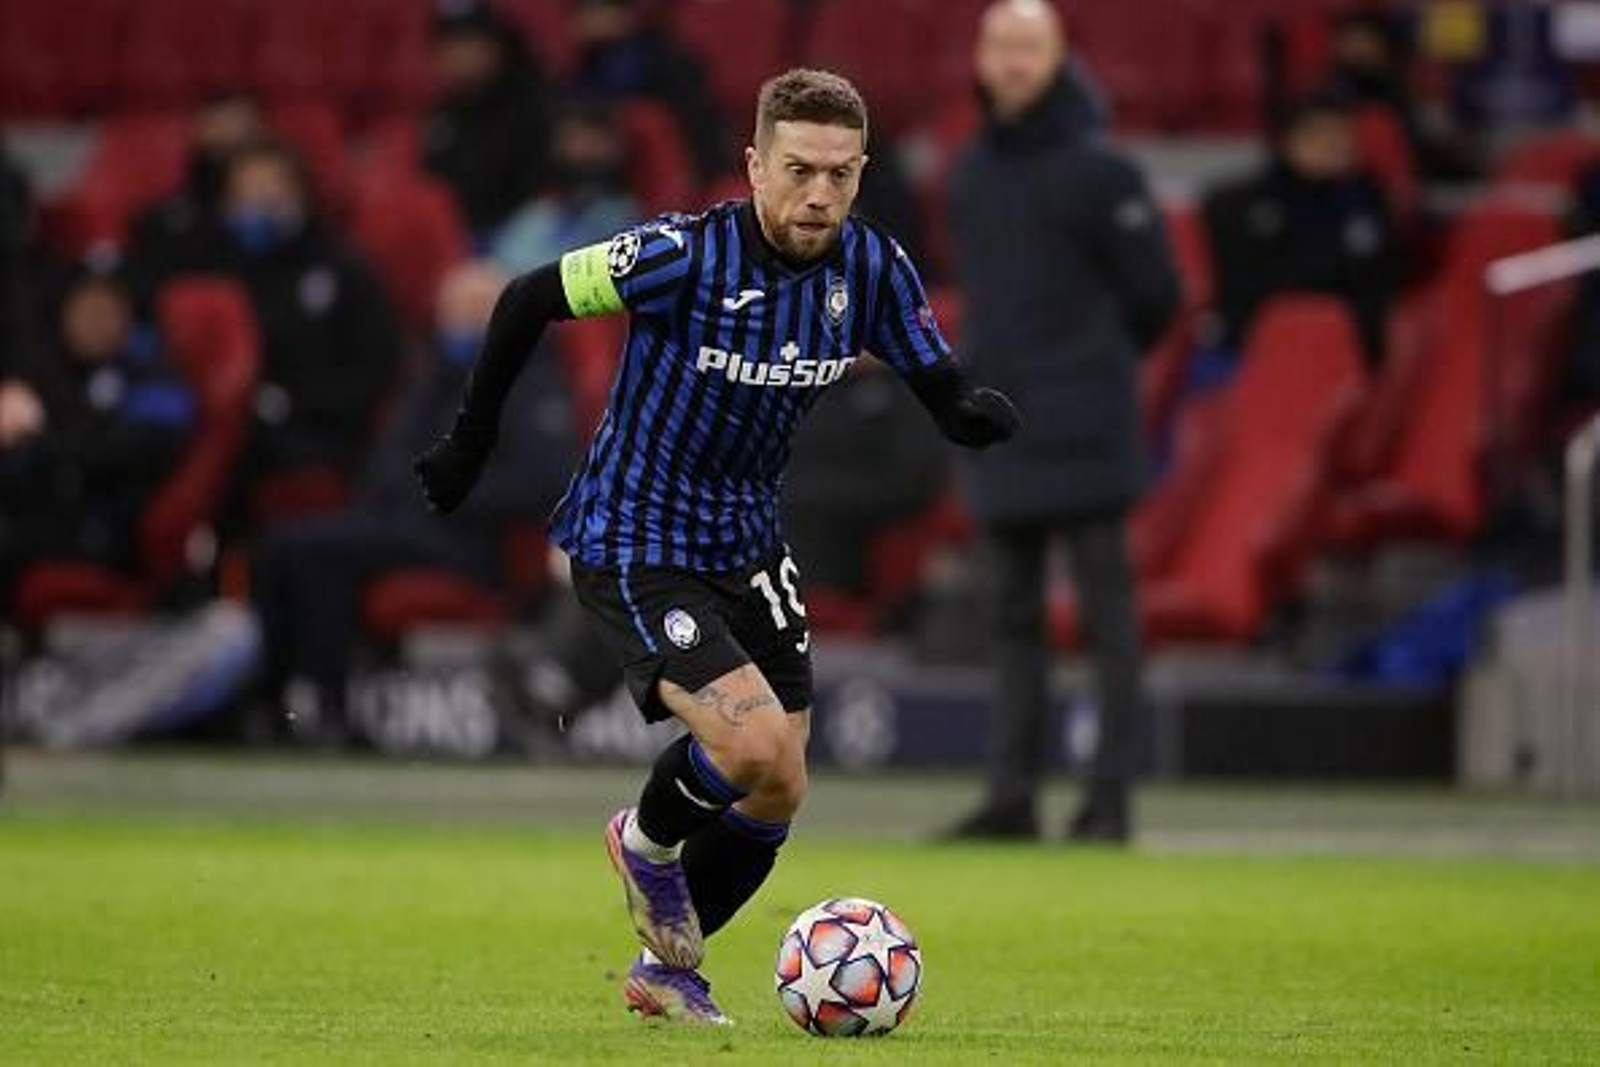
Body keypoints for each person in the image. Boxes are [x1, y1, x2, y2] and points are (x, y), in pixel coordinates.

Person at [414, 68, 1019, 1023]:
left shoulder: (871, 267)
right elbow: (527, 296)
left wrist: (963, 411)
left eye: (839, 174)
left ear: (861, 174)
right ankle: (644, 842)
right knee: (749, 742)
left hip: (747, 544)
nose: (818, 194)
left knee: (782, 781)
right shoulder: (680, 255)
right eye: (799, 170)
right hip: (635, 535)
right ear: (755, 166)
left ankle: (665, 971)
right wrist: (470, 439)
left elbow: (932, 371)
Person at [942, 0, 1181, 844]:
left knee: (1107, 617)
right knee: (1012, 619)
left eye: (1029, 46)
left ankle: (1107, 800)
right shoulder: (969, 172)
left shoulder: (1104, 172)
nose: (1012, 61)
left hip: (1087, 424)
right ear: (981, 58)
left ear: (1058, 57)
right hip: (1003, 419)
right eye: (1001, 44)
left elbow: (1158, 296)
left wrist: (1093, 362)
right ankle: (1011, 796)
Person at [250, 261, 578, 743]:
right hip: (400, 524)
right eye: (455, 312)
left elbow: (542, 479)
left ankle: (327, 707)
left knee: (318, 553)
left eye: (477, 312)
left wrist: (451, 492)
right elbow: (388, 459)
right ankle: (270, 699)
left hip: (468, 541)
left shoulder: (530, 382)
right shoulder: (431, 377)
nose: (463, 325)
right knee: (281, 548)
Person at [213, 139, 403, 522]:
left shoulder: (343, 270)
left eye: (270, 187)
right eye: (245, 192)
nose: (258, 202)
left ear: (299, 193)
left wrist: (294, 404)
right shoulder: (218, 271)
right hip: (236, 432)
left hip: (323, 434)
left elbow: (376, 366)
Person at [1, 266, 195, 604]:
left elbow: (131, 450)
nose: (92, 323)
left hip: (109, 527)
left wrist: (40, 440)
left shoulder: (152, 377)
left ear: (126, 317)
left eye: (104, 312)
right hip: (43, 512)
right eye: (82, 311)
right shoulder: (50, 370)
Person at [1201, 91, 1400, 368]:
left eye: (1343, 134)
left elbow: (1379, 286)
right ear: (1287, 140)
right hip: (1248, 347)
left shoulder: (1367, 202)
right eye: (1320, 134)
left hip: (1344, 351)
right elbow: (1241, 289)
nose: (1334, 144)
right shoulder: (1236, 204)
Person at [783, 359, 948, 597]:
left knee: (806, 507)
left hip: (886, 495)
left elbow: (914, 475)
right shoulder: (816, 389)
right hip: (814, 491)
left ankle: (832, 602)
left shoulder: (907, 392)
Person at [423, 1, 553, 238]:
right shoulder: (439, 117)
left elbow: (541, 199)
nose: (458, 54)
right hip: (458, 241)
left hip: (521, 237)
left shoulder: (532, 109)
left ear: (496, 47)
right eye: (449, 44)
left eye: (468, 42)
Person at [565, 0, 726, 183]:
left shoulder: (667, 63)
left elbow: (696, 130)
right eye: (583, 12)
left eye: (598, 10)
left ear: (625, 15)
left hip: (667, 171)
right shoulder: (581, 69)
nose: (588, 20)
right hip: (595, 177)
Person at [125, 90, 267, 293]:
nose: (229, 136)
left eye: (241, 128)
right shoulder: (166, 218)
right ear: (197, 133)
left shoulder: (288, 212)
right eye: (218, 126)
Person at [489, 97, 641, 275]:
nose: (581, 151)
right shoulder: (539, 212)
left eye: (591, 141)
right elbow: (497, 263)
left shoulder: (620, 215)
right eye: (572, 139)